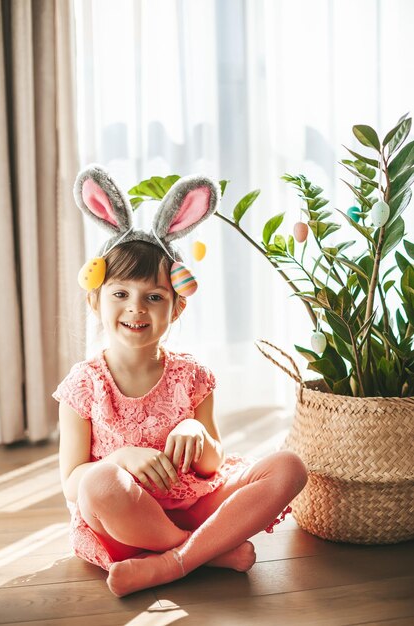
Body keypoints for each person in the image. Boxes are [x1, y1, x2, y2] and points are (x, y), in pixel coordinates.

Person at [52, 165, 308, 597]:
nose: (137, 308)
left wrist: (195, 430)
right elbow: (74, 482)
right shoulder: (84, 384)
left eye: (154, 297)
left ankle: (176, 561)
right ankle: (197, 553)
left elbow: (211, 463)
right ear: (96, 302)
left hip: (194, 506)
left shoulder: (192, 376)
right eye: (121, 294)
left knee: (290, 467)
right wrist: (122, 459)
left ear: (176, 309)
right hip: (127, 522)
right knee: (99, 484)